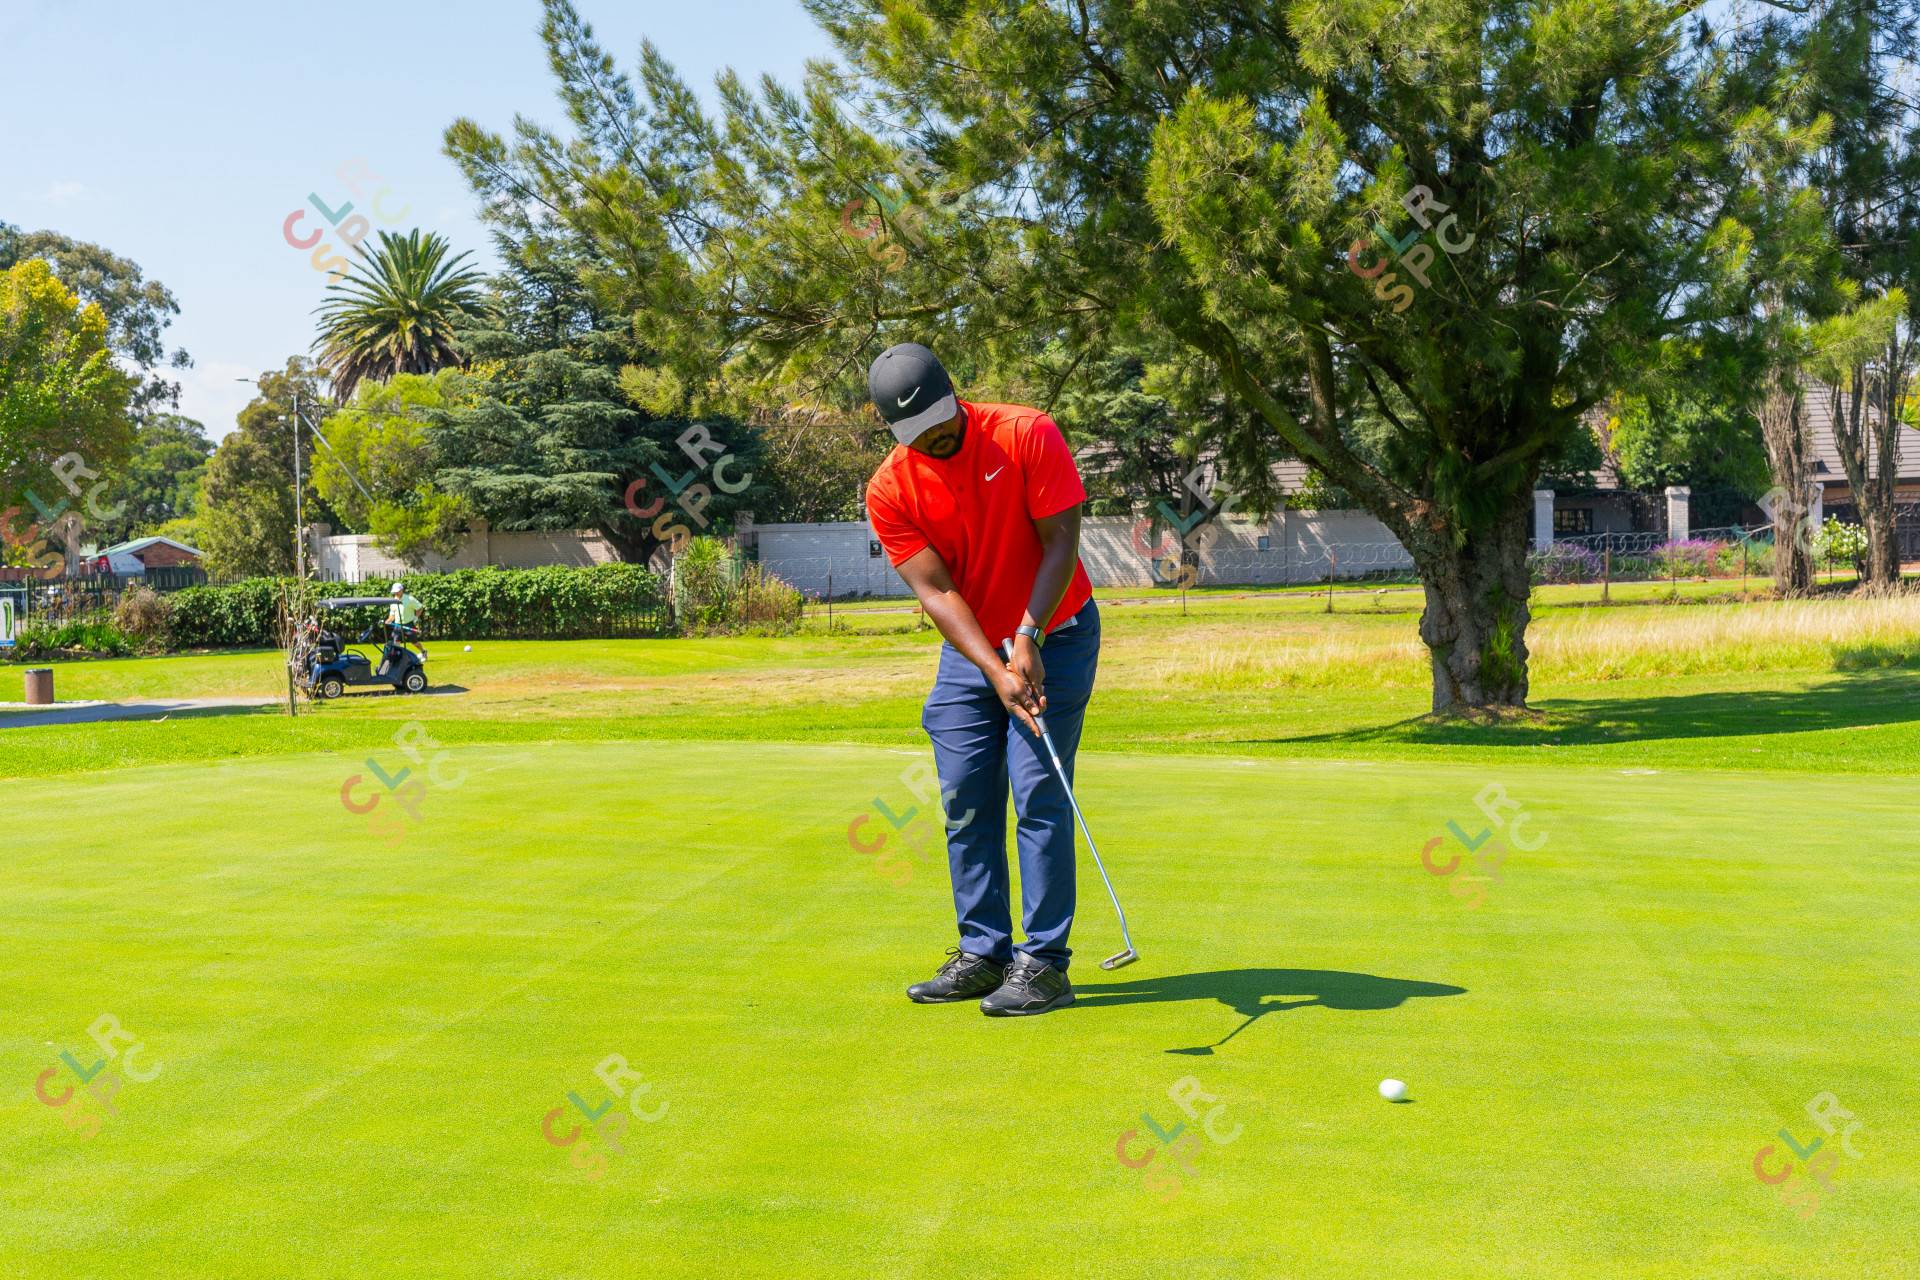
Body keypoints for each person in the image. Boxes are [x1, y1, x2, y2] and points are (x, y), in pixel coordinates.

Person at [863, 342, 1100, 1017]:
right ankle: (984, 952)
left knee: (1037, 794)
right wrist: (994, 666)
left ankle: (1045, 963)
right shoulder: (889, 487)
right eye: (917, 433)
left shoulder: (1026, 433)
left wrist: (1027, 637)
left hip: (1058, 630)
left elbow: (1061, 542)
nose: (936, 438)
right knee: (965, 796)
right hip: (972, 652)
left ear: (954, 394)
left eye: (942, 419)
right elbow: (935, 593)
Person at [386, 581, 428, 662]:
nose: (395, 593)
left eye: (397, 592)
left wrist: (416, 617)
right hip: (398, 625)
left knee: (414, 642)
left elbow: (420, 607)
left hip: (408, 624)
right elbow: (392, 614)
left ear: (401, 590)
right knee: (396, 642)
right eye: (394, 592)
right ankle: (396, 659)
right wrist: (389, 620)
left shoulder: (410, 599)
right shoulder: (393, 601)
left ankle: (423, 651)